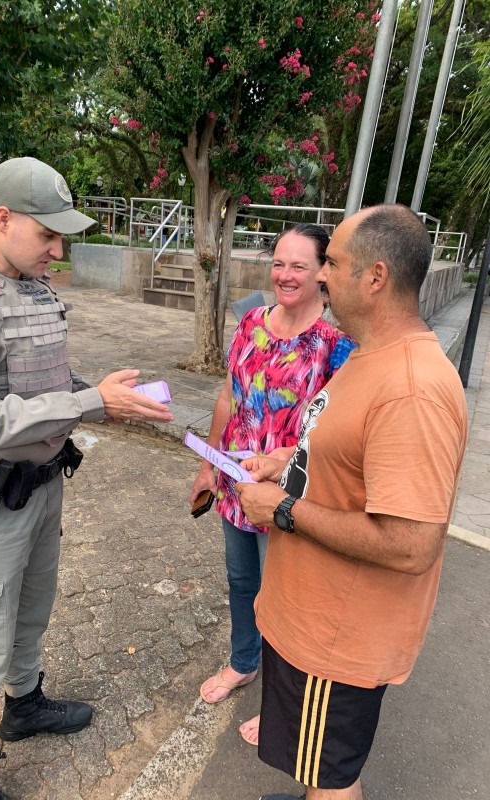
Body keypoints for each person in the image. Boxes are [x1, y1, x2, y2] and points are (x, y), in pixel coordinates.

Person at [0, 156, 174, 800]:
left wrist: (102, 394)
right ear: (1, 219)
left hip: (40, 487)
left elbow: (42, 381)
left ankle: (25, 704)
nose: (58, 250)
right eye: (48, 234)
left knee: (31, 611)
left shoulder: (27, 282)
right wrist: (91, 404)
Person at [235, 204, 468, 800]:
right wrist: (286, 462)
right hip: (313, 620)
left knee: (332, 779)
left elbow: (412, 543)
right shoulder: (371, 353)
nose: (321, 276)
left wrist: (281, 510)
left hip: (338, 639)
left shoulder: (412, 388)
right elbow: (345, 453)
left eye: (331, 263)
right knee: (319, 766)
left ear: (375, 277)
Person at [190, 224, 353, 745]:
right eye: (279, 263)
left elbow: (337, 432)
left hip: (289, 498)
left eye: (299, 266)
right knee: (243, 584)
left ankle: (283, 708)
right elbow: (228, 397)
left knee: (285, 604)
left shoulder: (336, 345)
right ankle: (243, 662)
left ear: (323, 273)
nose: (284, 275)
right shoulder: (252, 320)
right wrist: (209, 466)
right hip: (237, 489)